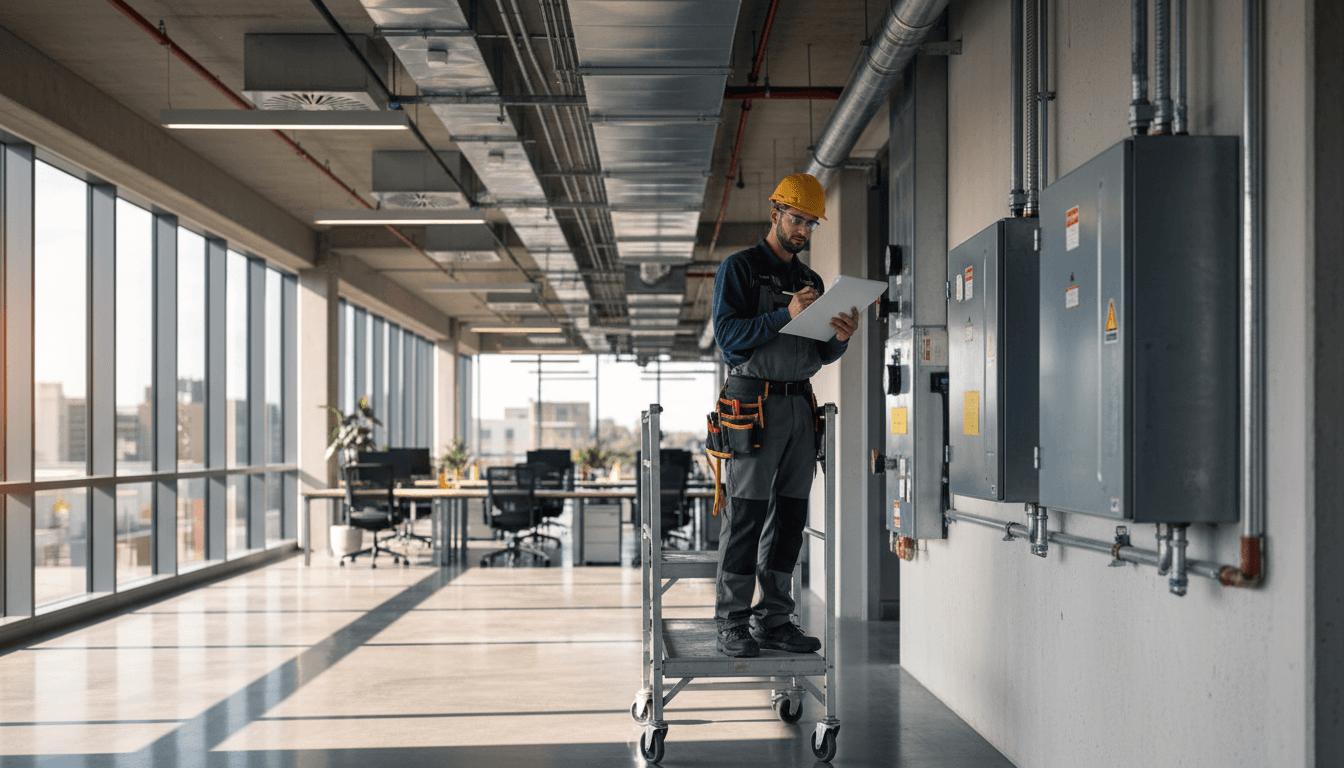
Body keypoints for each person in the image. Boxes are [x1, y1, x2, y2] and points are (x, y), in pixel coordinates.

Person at [710, 174, 858, 657]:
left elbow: (821, 354)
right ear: (775, 213)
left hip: (799, 405)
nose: (804, 231)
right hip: (752, 403)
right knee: (747, 515)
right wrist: (782, 314)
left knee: (791, 516)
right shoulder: (741, 269)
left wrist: (840, 336)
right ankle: (732, 619)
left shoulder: (810, 280)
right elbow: (729, 337)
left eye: (811, 224)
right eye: (798, 219)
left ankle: (774, 617)